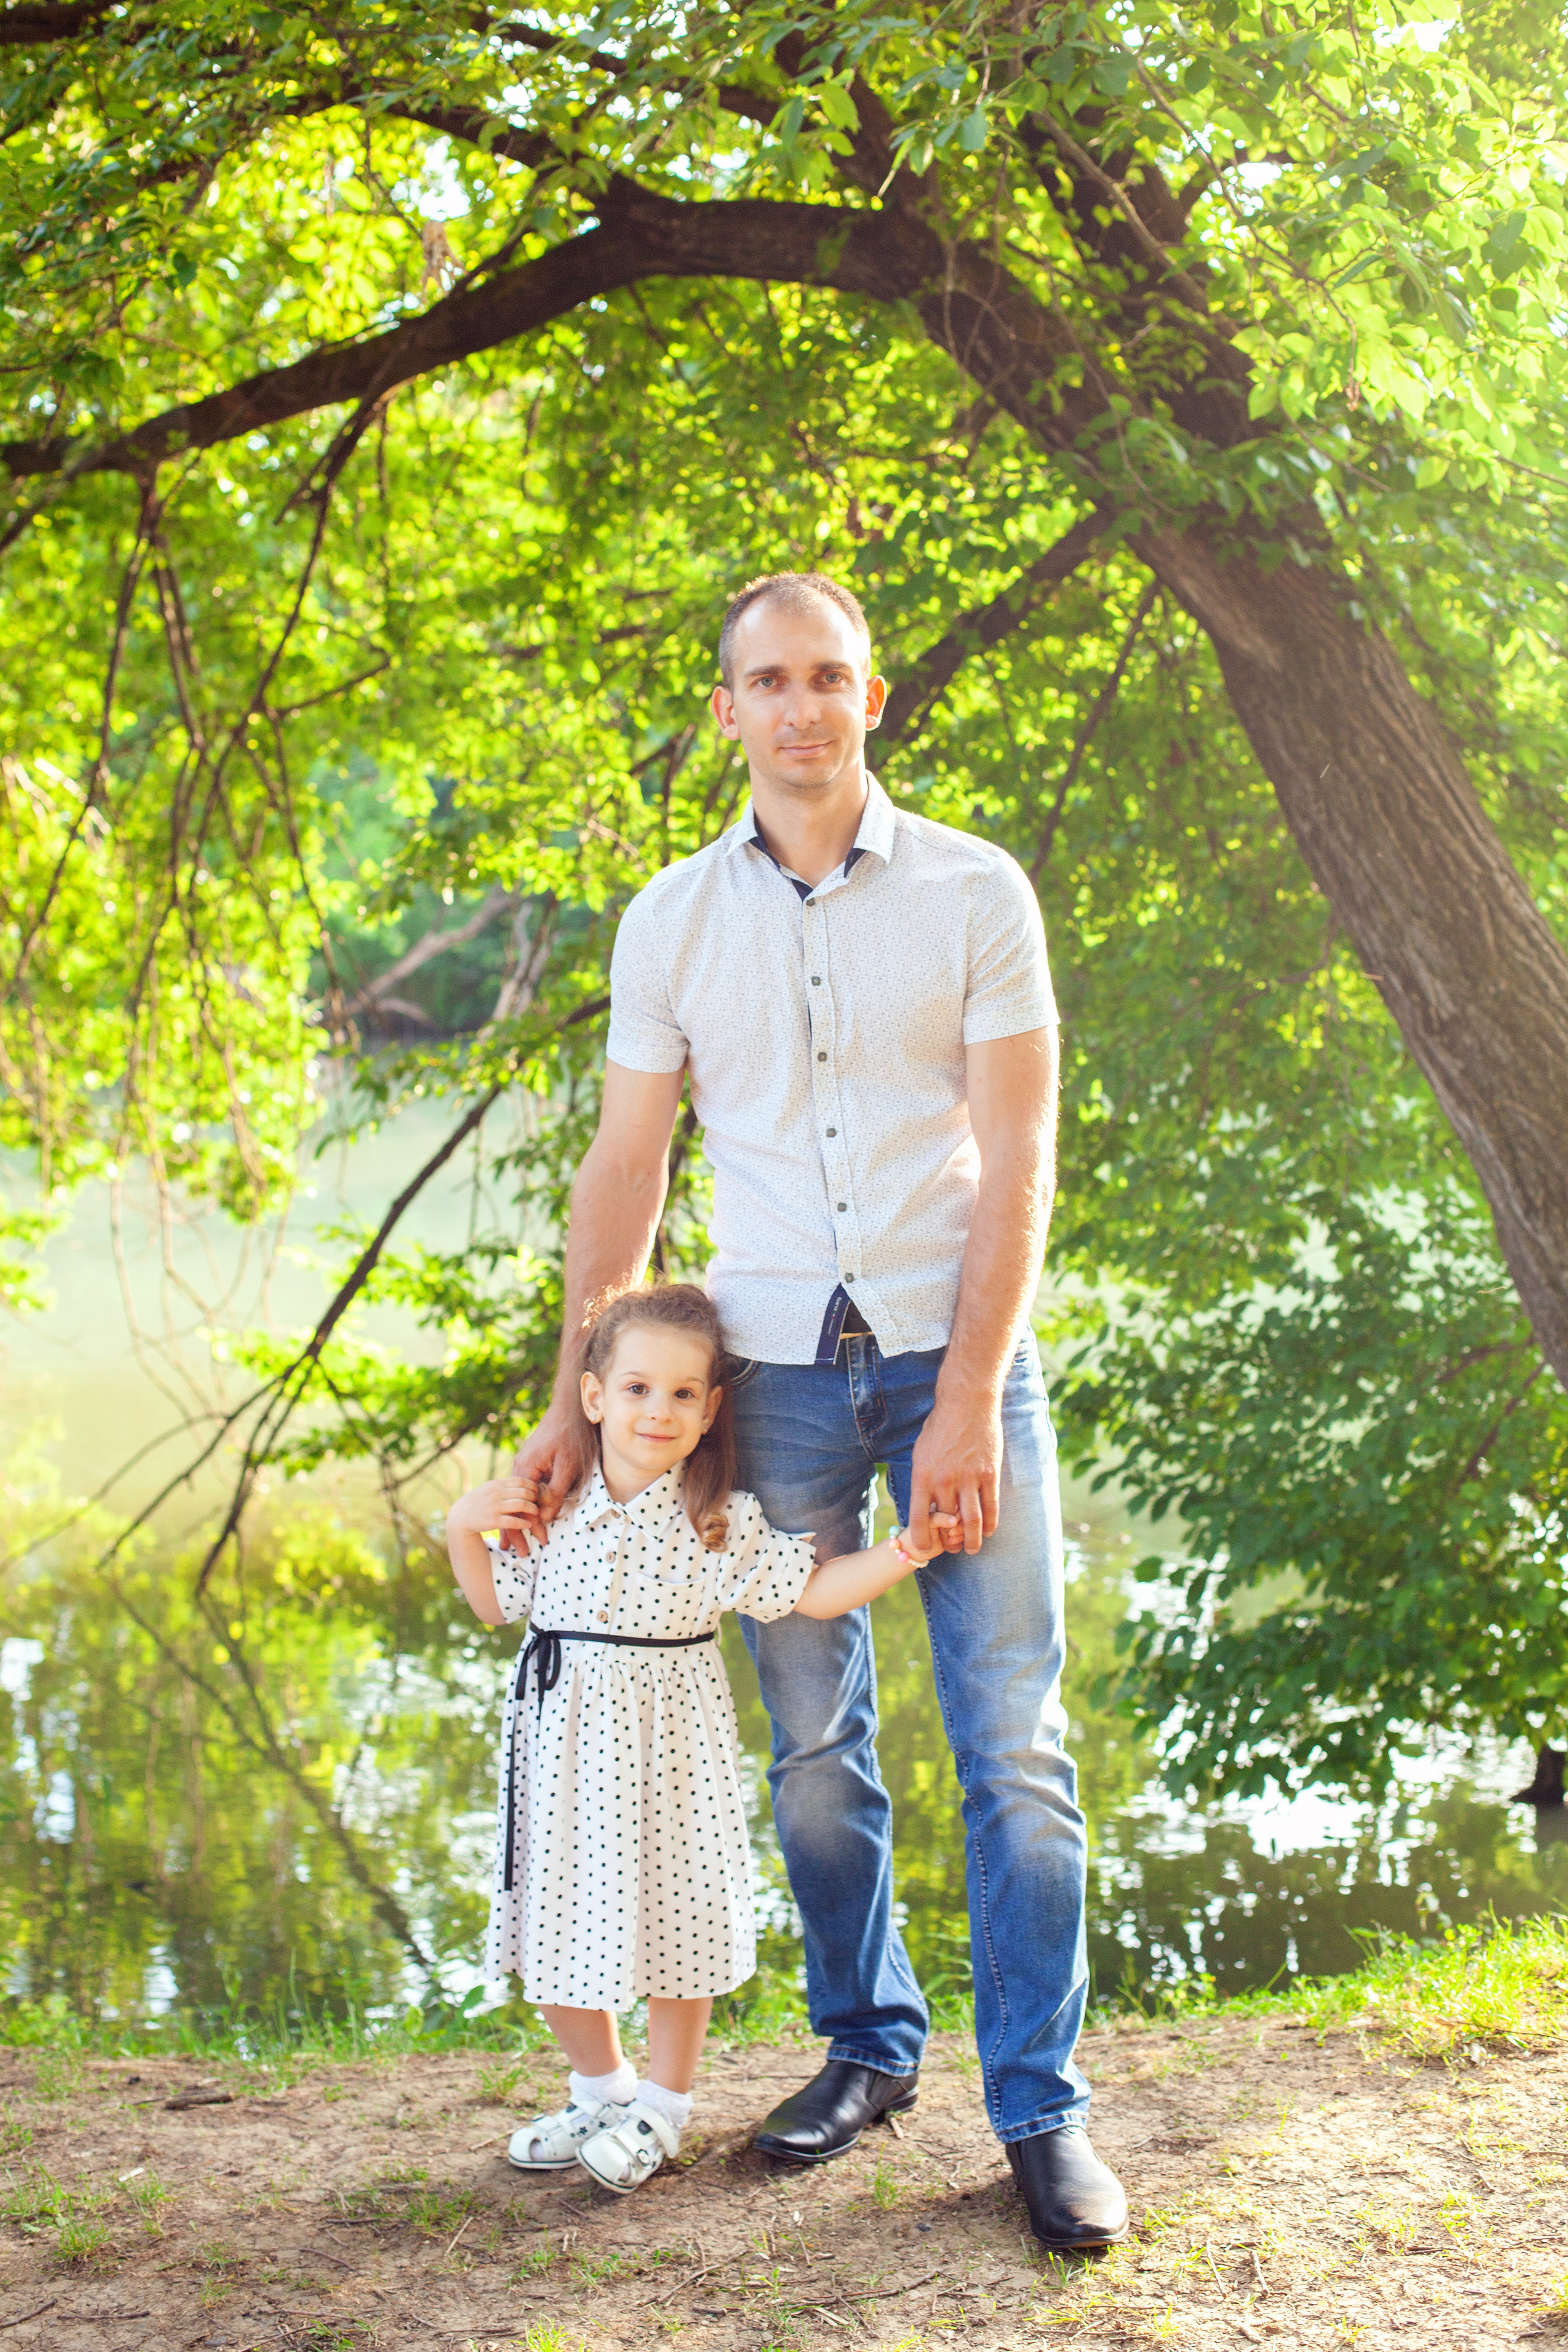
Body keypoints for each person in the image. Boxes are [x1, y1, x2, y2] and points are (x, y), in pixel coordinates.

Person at [511, 571, 1128, 2248]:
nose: (799, 707)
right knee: (811, 1759)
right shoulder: (670, 922)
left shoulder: (977, 893)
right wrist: (576, 1404)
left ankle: (1043, 2115)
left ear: (875, 699)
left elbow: (1021, 1161)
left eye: (829, 678)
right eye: (766, 681)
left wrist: (973, 1391)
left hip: (955, 1355)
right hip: (767, 1372)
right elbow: (628, 1167)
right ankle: (867, 2049)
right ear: (725, 710)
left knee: (1014, 1748)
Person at [447, 1282, 954, 2195]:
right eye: (638, 1388)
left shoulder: (718, 1519)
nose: (659, 1410)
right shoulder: (552, 1506)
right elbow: (495, 1604)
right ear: (594, 1396)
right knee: (560, 1921)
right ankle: (601, 2090)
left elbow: (814, 1590)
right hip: (563, 1754)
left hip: (673, 1753)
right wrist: (459, 1528)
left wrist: (910, 1550)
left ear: (713, 1408)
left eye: (684, 1394)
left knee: (677, 1923)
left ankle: (663, 2111)